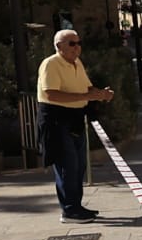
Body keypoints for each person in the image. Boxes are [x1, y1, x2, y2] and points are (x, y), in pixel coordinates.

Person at [35, 29, 114, 223]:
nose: (76, 47)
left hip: (75, 118)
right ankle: (69, 210)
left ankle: (76, 206)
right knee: (67, 165)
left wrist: (100, 94)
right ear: (59, 46)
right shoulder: (51, 64)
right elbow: (51, 94)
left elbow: (86, 88)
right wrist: (86, 97)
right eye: (71, 43)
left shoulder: (77, 63)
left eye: (78, 43)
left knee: (79, 165)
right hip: (57, 120)